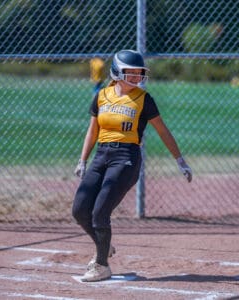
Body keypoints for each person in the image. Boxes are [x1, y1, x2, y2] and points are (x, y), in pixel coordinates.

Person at [72, 49, 192, 282]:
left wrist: (180, 160)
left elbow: (162, 130)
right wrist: (82, 159)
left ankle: (101, 265)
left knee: (100, 212)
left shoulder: (143, 99)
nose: (137, 76)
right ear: (116, 72)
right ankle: (103, 247)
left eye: (139, 73)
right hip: (101, 156)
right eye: (131, 72)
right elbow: (93, 130)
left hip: (126, 157)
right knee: (79, 210)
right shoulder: (101, 96)